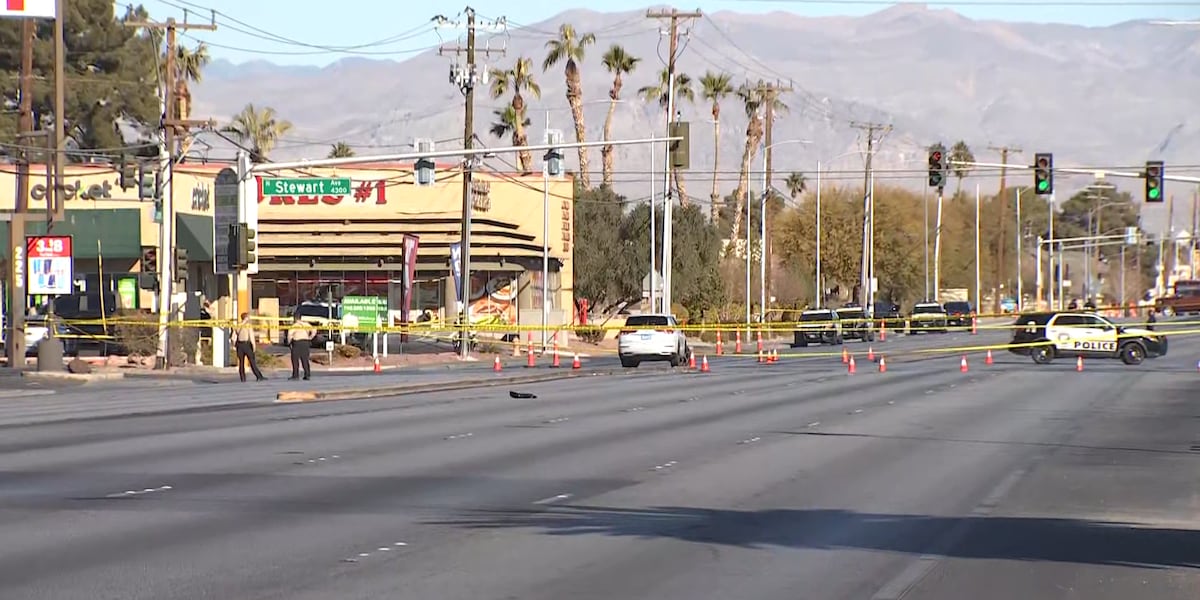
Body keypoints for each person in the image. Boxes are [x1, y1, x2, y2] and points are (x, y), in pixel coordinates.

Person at [234, 312, 266, 382]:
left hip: (240, 345)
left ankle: (243, 378)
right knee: (252, 362)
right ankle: (259, 376)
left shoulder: (238, 325)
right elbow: (251, 336)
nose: (249, 318)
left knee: (241, 363)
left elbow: (236, 333)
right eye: (248, 317)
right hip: (246, 345)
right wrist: (254, 346)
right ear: (246, 318)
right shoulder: (247, 325)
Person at [288, 314, 313, 380]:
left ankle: (295, 375)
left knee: (295, 360)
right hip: (306, 342)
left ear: (295, 319)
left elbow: (289, 335)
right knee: (305, 360)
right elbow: (314, 330)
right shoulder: (306, 324)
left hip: (297, 343)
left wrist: (289, 342)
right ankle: (307, 375)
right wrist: (310, 337)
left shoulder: (294, 326)